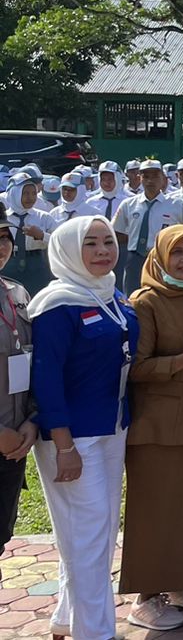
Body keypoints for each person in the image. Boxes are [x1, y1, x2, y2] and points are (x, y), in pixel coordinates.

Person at [28, 216, 136, 640]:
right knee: (88, 535)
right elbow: (46, 378)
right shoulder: (57, 304)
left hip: (111, 427)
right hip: (73, 436)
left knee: (97, 532)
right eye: (90, 243)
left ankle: (66, 619)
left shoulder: (111, 292)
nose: (103, 251)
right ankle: (95, 632)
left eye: (108, 241)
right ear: (70, 250)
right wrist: (63, 444)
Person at [120, 224, 183, 630]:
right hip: (158, 429)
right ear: (160, 256)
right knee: (157, 511)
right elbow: (136, 369)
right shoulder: (145, 303)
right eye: (177, 252)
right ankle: (146, 597)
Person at [0, 216, 37, 565]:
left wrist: (31, 420)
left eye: (4, 237)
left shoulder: (18, 293)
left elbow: (33, 361)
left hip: (15, 440)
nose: (0, 247)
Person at [112, 160, 180, 292]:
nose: (150, 181)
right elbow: (115, 231)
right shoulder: (128, 204)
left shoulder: (176, 204)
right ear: (140, 178)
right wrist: (133, 239)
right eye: (146, 176)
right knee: (132, 296)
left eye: (155, 176)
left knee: (163, 296)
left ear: (163, 178)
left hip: (162, 258)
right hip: (135, 258)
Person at [4, 173, 54, 294]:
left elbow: (59, 241)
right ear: (14, 194)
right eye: (25, 193)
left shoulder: (44, 217)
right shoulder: (3, 218)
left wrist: (42, 236)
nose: (30, 198)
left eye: (34, 193)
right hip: (8, 263)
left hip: (36, 265)